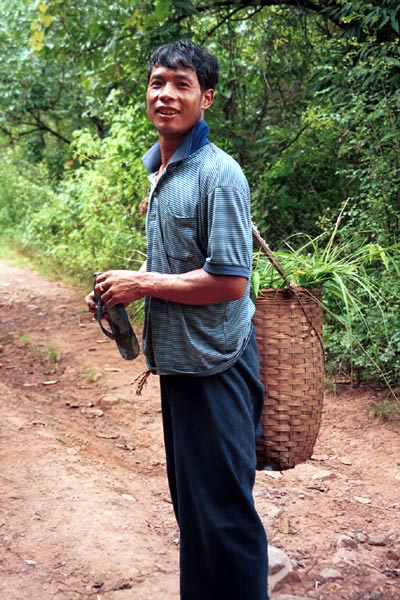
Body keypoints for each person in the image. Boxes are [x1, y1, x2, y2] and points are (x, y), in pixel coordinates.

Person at [86, 39, 269, 600]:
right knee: (194, 510)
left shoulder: (220, 175)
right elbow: (174, 264)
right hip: (182, 364)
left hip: (220, 364)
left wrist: (145, 284)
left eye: (181, 84)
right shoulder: (160, 170)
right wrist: (128, 288)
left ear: (205, 98)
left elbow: (230, 280)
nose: (166, 95)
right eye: (157, 82)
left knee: (225, 515)